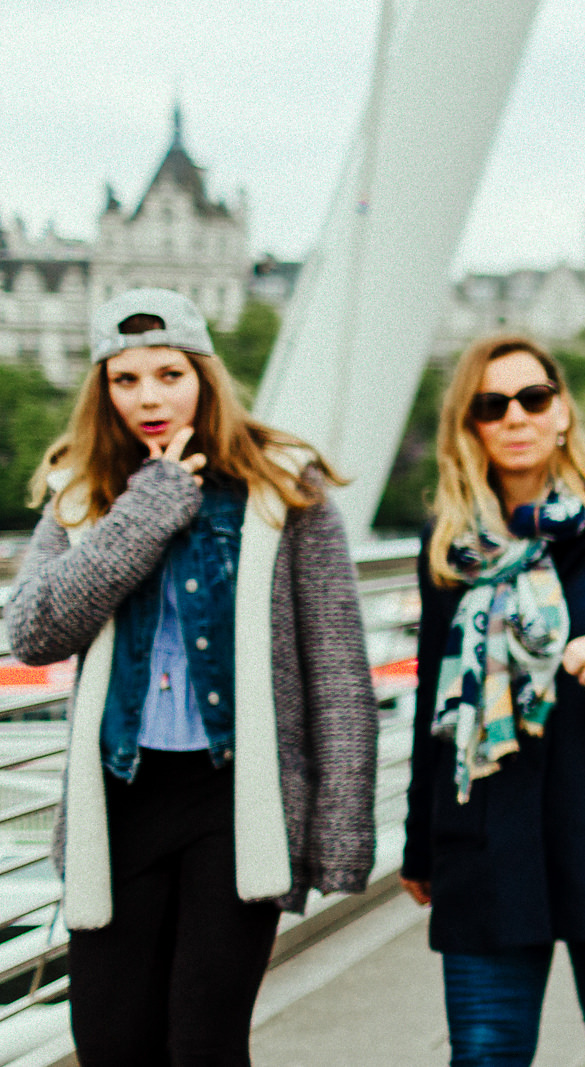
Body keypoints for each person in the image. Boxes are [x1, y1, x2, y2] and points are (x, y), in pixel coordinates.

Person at [6, 287, 378, 1067]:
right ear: (102, 390)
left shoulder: (285, 488)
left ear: (205, 376)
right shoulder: (82, 494)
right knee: (111, 1042)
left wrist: (340, 828)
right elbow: (36, 632)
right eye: (125, 378)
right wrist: (149, 508)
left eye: (169, 373)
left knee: (204, 1044)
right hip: (118, 804)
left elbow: (338, 669)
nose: (149, 397)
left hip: (235, 803)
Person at [400, 333, 585, 1067]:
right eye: (492, 405)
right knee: (485, 1053)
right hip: (485, 837)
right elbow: (435, 694)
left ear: (561, 411)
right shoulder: (449, 545)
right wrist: (418, 843)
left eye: (533, 397)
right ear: (470, 427)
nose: (515, 416)